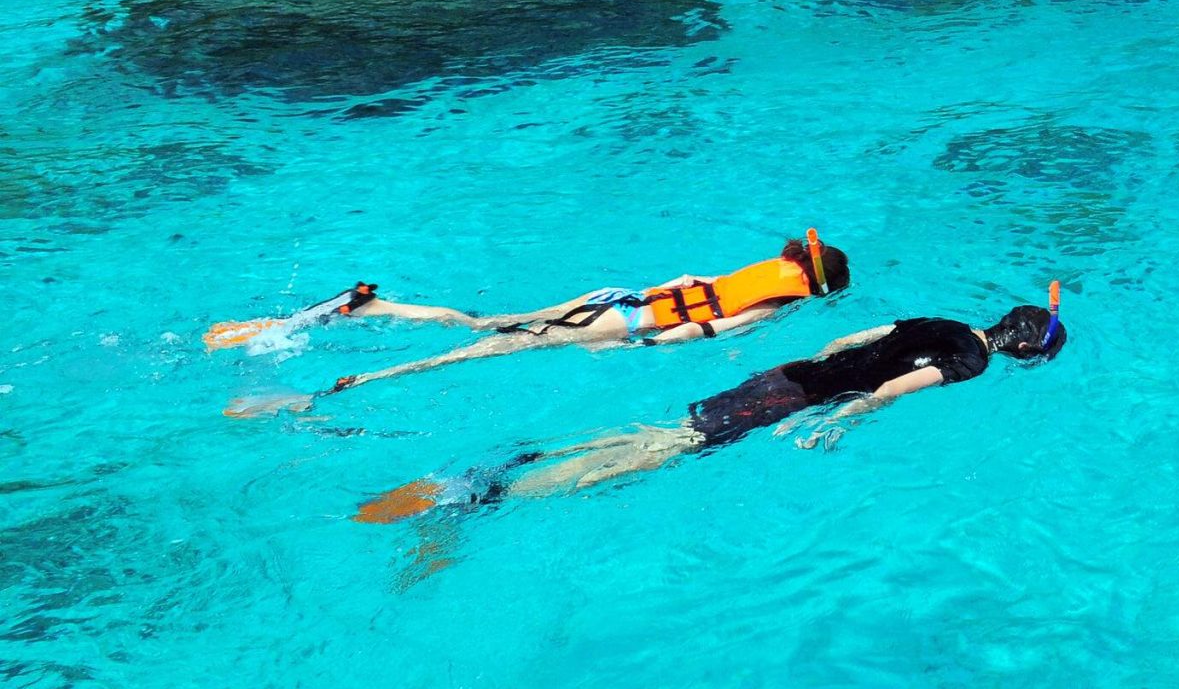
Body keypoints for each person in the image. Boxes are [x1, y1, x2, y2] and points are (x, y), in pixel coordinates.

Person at [355, 292, 1068, 522]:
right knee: (659, 452)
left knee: (669, 429)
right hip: (801, 395)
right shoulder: (970, 364)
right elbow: (890, 389)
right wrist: (834, 419)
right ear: (1022, 353)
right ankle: (485, 492)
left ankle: (520, 462)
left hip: (789, 370)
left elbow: (859, 338)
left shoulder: (944, 322)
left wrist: (815, 375)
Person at [221, 231, 849, 415]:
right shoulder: (772, 305)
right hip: (621, 328)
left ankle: (368, 306)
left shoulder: (762, 267)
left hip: (613, 295)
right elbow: (700, 330)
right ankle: (329, 392)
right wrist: (642, 353)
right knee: (465, 356)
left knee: (483, 322)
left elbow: (684, 283)